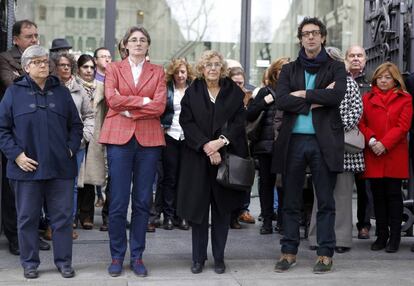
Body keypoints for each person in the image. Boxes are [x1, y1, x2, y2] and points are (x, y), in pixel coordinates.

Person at [0, 45, 83, 279]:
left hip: (60, 168)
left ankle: (64, 262)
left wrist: (70, 149)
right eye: (37, 62)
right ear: (26, 67)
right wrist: (16, 155)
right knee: (27, 218)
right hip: (25, 169)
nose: (43, 65)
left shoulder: (62, 92)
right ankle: (29, 263)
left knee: (63, 219)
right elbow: (2, 129)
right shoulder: (13, 93)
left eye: (45, 61)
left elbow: (76, 126)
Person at [272, 17, 346, 273]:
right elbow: (281, 101)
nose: (311, 37)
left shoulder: (336, 67)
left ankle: (325, 253)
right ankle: (288, 251)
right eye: (306, 34)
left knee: (325, 199)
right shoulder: (289, 69)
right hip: (294, 142)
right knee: (290, 199)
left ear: (323, 37)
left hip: (324, 142)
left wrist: (302, 95)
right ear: (300, 39)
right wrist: (318, 98)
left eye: (315, 33)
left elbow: (336, 96)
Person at [99, 26, 166, 277]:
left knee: (142, 201)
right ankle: (117, 256)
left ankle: (137, 256)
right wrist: (142, 102)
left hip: (148, 140)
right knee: (117, 201)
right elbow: (112, 100)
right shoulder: (114, 69)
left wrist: (128, 106)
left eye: (143, 40)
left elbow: (159, 106)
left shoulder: (158, 71)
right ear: (125, 44)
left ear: (148, 45)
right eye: (133, 40)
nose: (138, 43)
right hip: (119, 139)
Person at [177, 50, 249, 275]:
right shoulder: (193, 91)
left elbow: (239, 122)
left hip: (225, 157)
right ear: (202, 68)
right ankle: (198, 258)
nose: (213, 69)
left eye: (217, 64)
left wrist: (220, 142)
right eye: (209, 65)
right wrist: (207, 147)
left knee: (222, 211)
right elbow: (186, 122)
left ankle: (219, 258)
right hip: (198, 158)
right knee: (198, 212)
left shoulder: (233, 92)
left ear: (223, 68)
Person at [0, 19, 50, 255]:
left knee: (37, 188)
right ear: (15, 39)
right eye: (29, 36)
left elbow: (49, 83)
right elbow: (13, 84)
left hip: (39, 133)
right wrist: (30, 76)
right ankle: (15, 237)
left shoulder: (40, 58)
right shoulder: (4, 58)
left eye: (36, 36)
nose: (34, 40)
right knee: (13, 190)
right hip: (15, 133)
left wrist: (28, 74)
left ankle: (32, 235)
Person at [308, 47, 364, 253]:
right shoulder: (313, 82)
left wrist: (333, 128)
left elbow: (356, 111)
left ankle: (341, 239)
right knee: (319, 195)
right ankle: (316, 237)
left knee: (342, 195)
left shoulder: (348, 82)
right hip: (319, 145)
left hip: (343, 147)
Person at [359, 62, 412, 253]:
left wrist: (384, 144)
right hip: (373, 152)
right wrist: (372, 140)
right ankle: (381, 235)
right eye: (380, 77)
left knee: (393, 196)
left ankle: (395, 237)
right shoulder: (367, 98)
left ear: (395, 79)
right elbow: (361, 123)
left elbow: (403, 126)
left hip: (393, 153)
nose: (383, 80)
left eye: (387, 77)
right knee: (377, 197)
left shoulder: (405, 98)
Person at [51, 52, 94, 239]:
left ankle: (68, 224)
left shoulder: (79, 89)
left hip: (76, 145)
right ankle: (52, 225)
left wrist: (84, 137)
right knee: (52, 184)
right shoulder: (49, 86)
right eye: (61, 65)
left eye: (68, 65)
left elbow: (89, 116)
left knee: (72, 186)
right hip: (53, 145)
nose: (65, 68)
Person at [246, 57, 289, 235]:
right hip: (265, 145)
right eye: (281, 69)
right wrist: (265, 102)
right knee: (266, 184)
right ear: (274, 72)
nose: (284, 72)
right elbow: (249, 114)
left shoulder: (294, 91)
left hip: (285, 144)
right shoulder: (265, 91)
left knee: (284, 184)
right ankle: (267, 220)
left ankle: (282, 220)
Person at [159, 58, 194, 230]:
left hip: (188, 138)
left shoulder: (194, 89)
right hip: (170, 135)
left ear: (188, 73)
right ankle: (169, 216)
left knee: (185, 178)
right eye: (177, 72)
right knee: (170, 178)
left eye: (183, 72)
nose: (180, 75)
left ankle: (183, 216)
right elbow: (159, 110)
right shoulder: (166, 89)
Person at [345, 45, 373, 240]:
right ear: (346, 59)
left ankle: (364, 224)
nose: (356, 58)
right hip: (343, 138)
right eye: (352, 55)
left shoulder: (372, 81)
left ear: (365, 59)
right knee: (341, 187)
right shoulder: (340, 79)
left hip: (364, 139)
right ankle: (342, 226)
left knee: (365, 185)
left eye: (359, 55)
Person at [87, 47, 112, 232]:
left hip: (111, 131)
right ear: (96, 60)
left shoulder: (114, 77)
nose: (107, 59)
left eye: (109, 56)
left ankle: (107, 215)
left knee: (110, 174)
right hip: (93, 130)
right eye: (103, 56)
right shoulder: (91, 80)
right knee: (88, 173)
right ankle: (85, 214)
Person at [228, 66, 255, 229]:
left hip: (244, 143)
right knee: (225, 180)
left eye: (241, 83)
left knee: (240, 180)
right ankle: (227, 215)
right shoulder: (224, 96)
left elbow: (252, 117)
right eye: (235, 82)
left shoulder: (248, 97)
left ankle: (237, 214)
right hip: (226, 142)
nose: (238, 86)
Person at [74, 54, 98, 230]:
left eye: (91, 67)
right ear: (79, 69)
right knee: (75, 177)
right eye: (85, 67)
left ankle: (87, 214)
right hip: (77, 135)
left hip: (96, 135)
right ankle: (73, 215)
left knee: (90, 175)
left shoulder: (100, 88)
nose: (89, 70)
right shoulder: (72, 86)